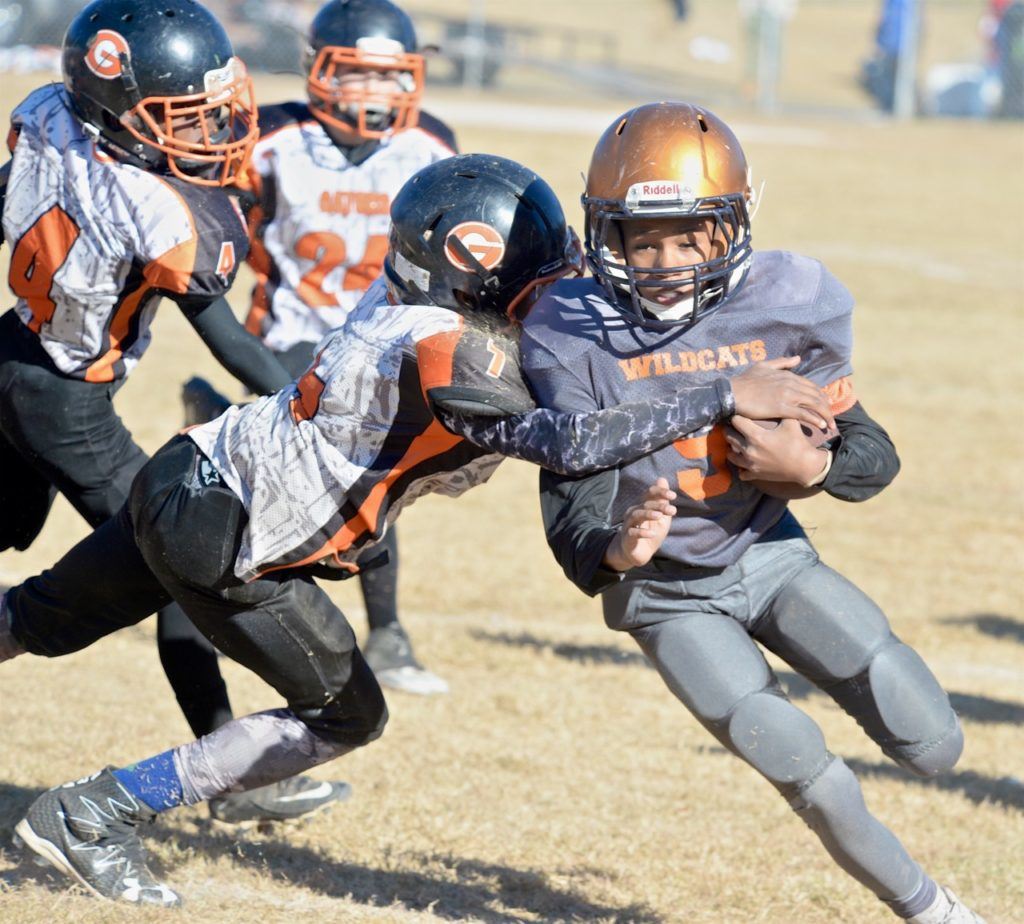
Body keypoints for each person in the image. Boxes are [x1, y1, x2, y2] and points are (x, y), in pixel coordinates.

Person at [0, 152, 835, 906]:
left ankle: (86, 810)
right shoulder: (443, 343)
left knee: (40, 617)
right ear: (476, 274)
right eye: (539, 278)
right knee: (346, 715)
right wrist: (722, 391)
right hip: (230, 535)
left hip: (189, 473)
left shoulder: (417, 300)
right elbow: (567, 442)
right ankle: (92, 814)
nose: (558, 288)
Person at [525, 102, 986, 924]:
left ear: (730, 228)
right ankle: (928, 908)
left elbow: (872, 449)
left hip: (766, 548)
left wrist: (818, 465)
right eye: (643, 238)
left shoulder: (787, 302)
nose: (666, 260)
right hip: (666, 596)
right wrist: (620, 551)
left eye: (688, 235)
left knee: (933, 739)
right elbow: (570, 516)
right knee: (800, 758)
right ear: (607, 238)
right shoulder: (570, 334)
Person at [0, 0, 353, 828]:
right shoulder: (159, 206)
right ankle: (233, 772)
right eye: (183, 117)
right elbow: (232, 347)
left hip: (12, 352)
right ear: (117, 106)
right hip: (65, 399)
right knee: (177, 568)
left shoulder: (47, 113)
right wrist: (321, 401)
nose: (210, 130)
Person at [185, 0, 458, 696]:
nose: (373, 93)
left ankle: (388, 631)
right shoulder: (271, 138)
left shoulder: (431, 146)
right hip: (294, 333)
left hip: (388, 340)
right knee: (334, 476)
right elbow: (211, 224)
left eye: (387, 77)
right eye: (357, 75)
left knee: (379, 482)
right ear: (318, 71)